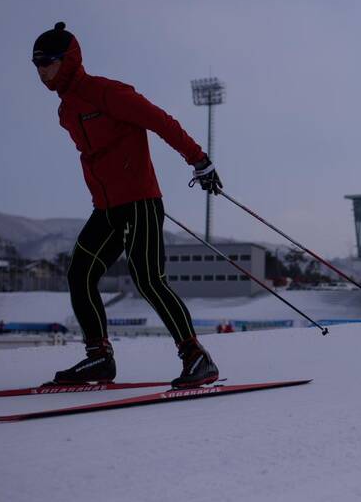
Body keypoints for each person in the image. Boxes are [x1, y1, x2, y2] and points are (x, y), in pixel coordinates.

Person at [32, 22, 224, 389]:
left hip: (139, 202)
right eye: (36, 63)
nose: (41, 70)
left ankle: (197, 357)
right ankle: (99, 358)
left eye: (48, 61)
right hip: (106, 208)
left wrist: (199, 160)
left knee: (149, 279)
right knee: (80, 274)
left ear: (68, 59)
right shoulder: (66, 111)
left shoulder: (106, 92)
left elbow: (159, 121)